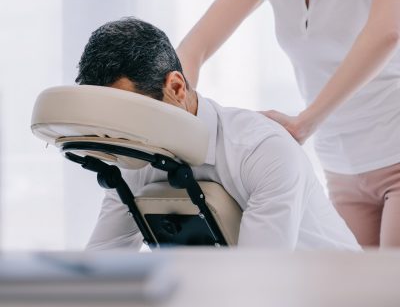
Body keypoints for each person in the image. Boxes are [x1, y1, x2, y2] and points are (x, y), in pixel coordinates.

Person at [176, 0, 400, 248]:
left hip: (395, 154)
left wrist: (305, 122)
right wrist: (180, 123)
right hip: (340, 169)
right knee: (356, 295)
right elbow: (193, 48)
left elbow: (388, 30)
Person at [76, 17, 359, 251]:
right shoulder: (135, 162)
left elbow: (259, 285)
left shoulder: (262, 151)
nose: (122, 136)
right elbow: (100, 267)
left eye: (129, 114)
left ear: (176, 88)